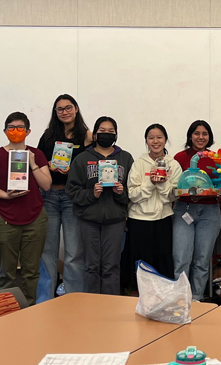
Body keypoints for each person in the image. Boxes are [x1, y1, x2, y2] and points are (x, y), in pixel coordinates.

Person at [0, 112, 52, 306]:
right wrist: (6, 195)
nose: (15, 132)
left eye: (20, 128)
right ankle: (5, 311)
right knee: (7, 272)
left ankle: (29, 310)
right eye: (11, 128)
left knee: (31, 272)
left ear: (28, 131)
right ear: (5, 131)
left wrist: (32, 165)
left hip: (35, 217)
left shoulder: (36, 154)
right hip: (5, 217)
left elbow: (47, 185)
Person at [66, 117, 134, 295]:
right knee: (91, 265)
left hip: (115, 220)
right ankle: (91, 304)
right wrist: (91, 194)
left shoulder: (125, 158)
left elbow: (133, 191)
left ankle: (111, 305)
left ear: (116, 135)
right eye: (102, 131)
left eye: (110, 131)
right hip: (89, 219)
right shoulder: (82, 159)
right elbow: (72, 190)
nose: (106, 134)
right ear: (95, 134)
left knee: (112, 265)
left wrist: (121, 193)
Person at [36, 94, 93, 303]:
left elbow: (92, 166)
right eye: (60, 109)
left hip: (72, 198)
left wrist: (75, 169)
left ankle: (73, 300)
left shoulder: (87, 136)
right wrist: (48, 167)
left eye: (68, 108)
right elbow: (38, 163)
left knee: (74, 253)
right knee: (47, 252)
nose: (64, 112)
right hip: (49, 196)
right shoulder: (48, 135)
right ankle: (44, 300)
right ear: (55, 112)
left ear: (76, 109)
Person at [124, 124, 182, 290]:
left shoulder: (174, 164)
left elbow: (175, 195)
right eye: (151, 138)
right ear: (146, 141)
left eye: (159, 137)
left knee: (162, 260)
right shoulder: (139, 164)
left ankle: (162, 298)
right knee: (140, 261)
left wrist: (162, 185)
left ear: (165, 140)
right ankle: (138, 297)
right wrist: (150, 183)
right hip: (139, 220)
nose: (155, 141)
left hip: (163, 219)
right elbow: (132, 194)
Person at [173, 120, 221, 301]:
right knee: (181, 258)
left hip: (210, 211)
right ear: (190, 135)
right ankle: (180, 299)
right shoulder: (179, 157)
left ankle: (197, 298)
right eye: (196, 133)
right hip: (184, 209)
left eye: (204, 134)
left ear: (209, 137)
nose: (200, 137)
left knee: (202, 259)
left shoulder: (216, 157)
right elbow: (173, 185)